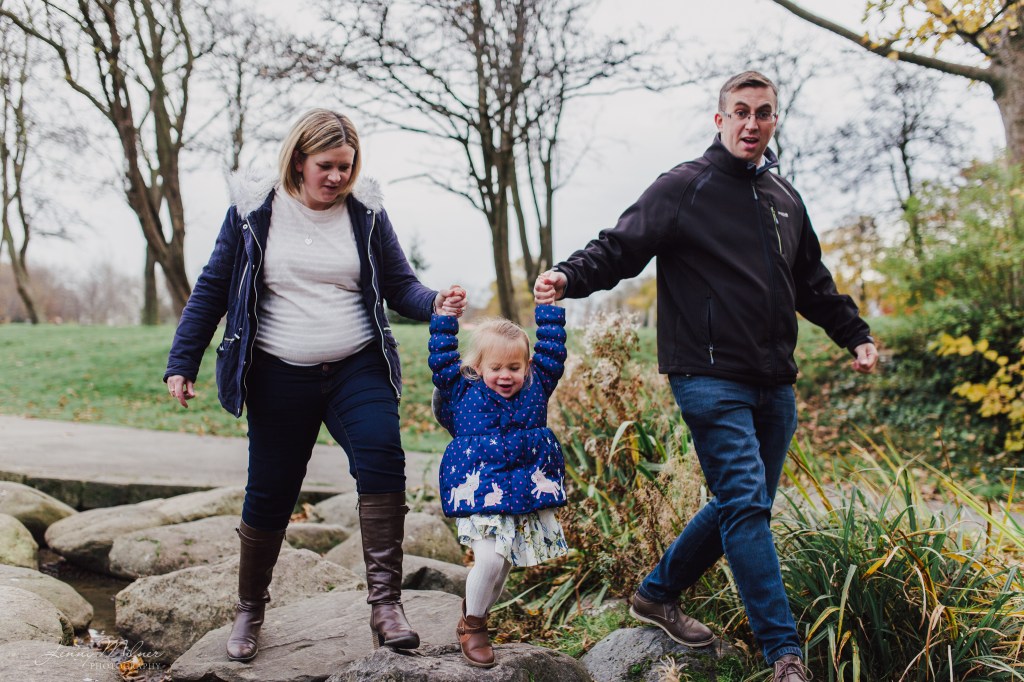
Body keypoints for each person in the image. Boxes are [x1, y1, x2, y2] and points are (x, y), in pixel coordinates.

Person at [534, 71, 878, 682]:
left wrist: (854, 333)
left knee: (739, 504)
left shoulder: (784, 198)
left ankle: (656, 593)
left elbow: (811, 283)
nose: (752, 122)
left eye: (764, 113)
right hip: (708, 374)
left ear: (774, 122)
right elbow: (620, 246)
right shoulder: (683, 186)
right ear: (719, 120)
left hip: (775, 380)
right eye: (740, 111)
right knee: (748, 506)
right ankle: (785, 656)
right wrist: (568, 277)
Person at [164, 108, 467, 662]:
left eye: (347, 168)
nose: (337, 178)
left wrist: (435, 304)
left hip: (357, 364)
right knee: (271, 491)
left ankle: (386, 607)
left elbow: (400, 286)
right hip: (277, 371)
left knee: (382, 459)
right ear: (298, 159)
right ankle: (250, 609)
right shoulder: (253, 212)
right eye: (327, 166)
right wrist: (182, 361)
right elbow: (212, 290)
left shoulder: (367, 215)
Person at [428, 304, 570, 668]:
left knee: (503, 563)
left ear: (527, 367)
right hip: (479, 490)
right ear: (477, 368)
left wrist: (549, 309)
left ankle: (477, 616)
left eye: (514, 367)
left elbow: (553, 352)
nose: (505, 376)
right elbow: (442, 358)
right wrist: (445, 317)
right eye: (496, 368)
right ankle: (472, 626)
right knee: (489, 559)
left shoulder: (537, 386)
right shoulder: (462, 389)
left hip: (520, 491)